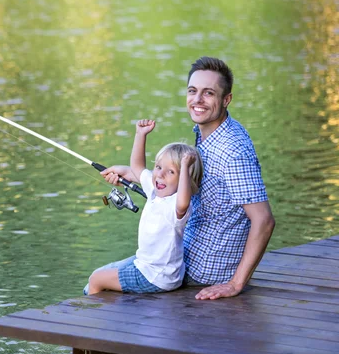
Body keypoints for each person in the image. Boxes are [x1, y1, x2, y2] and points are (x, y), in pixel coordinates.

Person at [99, 56, 276, 300]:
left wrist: (235, 284)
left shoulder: (233, 151)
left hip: (204, 268)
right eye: (193, 91)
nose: (197, 100)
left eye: (208, 93)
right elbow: (191, 185)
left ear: (226, 100)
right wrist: (131, 174)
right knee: (108, 275)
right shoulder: (210, 134)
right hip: (184, 252)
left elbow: (264, 220)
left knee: (99, 279)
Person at [86, 119, 203, 295]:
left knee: (96, 280)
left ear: (185, 180)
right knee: (98, 274)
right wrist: (140, 135)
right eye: (158, 167)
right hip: (148, 266)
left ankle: (95, 316)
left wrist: (185, 166)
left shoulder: (176, 206)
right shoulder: (155, 191)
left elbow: (183, 201)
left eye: (171, 172)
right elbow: (137, 167)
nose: (160, 175)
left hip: (157, 276)